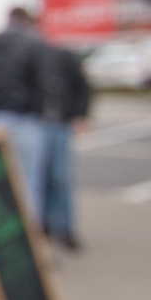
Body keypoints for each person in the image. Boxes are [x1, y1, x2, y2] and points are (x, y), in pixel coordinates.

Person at [0, 6, 61, 212]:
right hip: (22, 117)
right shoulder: (33, 43)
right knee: (28, 181)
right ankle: (27, 236)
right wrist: (40, 111)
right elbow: (44, 82)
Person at [41, 43, 91, 252]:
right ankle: (44, 225)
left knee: (59, 177)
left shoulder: (63, 55)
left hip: (59, 122)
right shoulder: (32, 53)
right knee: (39, 177)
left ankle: (65, 228)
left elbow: (81, 86)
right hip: (37, 123)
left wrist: (81, 115)